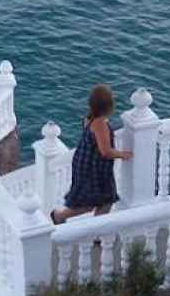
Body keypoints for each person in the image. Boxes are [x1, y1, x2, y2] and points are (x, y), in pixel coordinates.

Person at [51, 84, 132, 225]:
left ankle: (63, 218)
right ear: (109, 105)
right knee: (103, 201)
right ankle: (62, 217)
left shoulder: (89, 119)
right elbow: (105, 151)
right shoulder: (100, 124)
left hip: (86, 164)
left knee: (98, 201)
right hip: (94, 169)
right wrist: (122, 154)